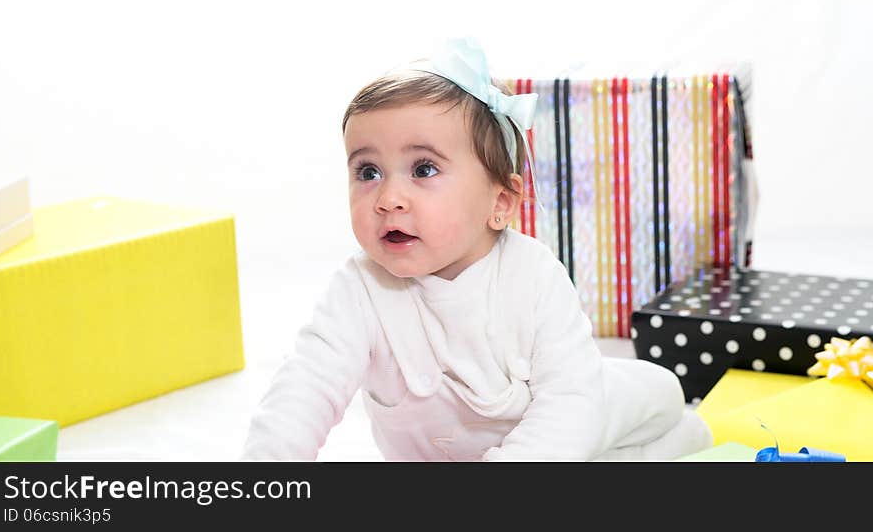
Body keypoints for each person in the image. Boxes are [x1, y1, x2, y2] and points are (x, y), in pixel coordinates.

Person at [242, 37, 712, 461]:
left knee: (662, 403)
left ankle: (683, 428)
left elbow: (569, 403)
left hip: (578, 418)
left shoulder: (533, 276)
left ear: (500, 203)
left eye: (423, 169)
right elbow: (304, 386)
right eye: (368, 172)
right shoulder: (359, 289)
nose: (388, 198)